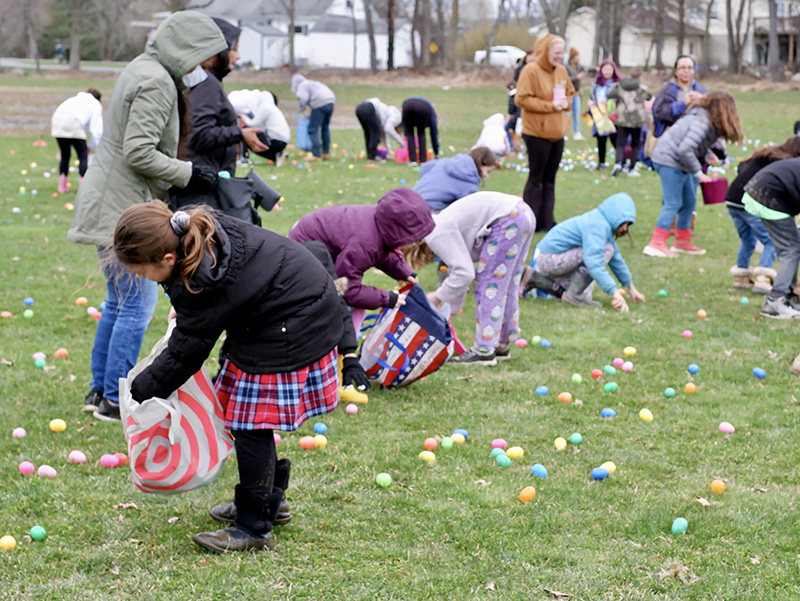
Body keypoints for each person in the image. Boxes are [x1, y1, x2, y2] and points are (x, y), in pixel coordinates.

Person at [115, 202, 342, 553]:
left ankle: (253, 527)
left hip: (293, 326)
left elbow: (185, 352)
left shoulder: (202, 280)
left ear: (168, 259)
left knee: (251, 425)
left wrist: (140, 389)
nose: (142, 278)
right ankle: (271, 500)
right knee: (243, 419)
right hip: (283, 313)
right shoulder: (191, 231)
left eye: (143, 271)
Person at [67, 11, 228, 422]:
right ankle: (113, 398)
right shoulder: (156, 80)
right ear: (186, 49)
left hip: (110, 197)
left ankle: (100, 390)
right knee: (136, 306)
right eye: (199, 58)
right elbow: (139, 151)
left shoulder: (143, 67)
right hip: (122, 203)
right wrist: (193, 172)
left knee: (118, 303)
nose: (199, 69)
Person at [403, 191, 535, 366]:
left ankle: (484, 351)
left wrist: (436, 297)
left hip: (507, 218)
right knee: (507, 284)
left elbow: (464, 274)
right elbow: (457, 275)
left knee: (489, 284)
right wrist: (450, 311)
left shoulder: (435, 234)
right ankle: (502, 344)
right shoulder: (439, 226)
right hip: (522, 212)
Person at [287, 188, 434, 322]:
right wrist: (387, 298)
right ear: (396, 231)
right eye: (412, 239)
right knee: (336, 302)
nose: (415, 244)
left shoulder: (381, 226)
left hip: (318, 237)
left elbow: (383, 253)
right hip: (306, 246)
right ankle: (338, 346)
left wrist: (404, 272)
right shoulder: (364, 244)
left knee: (357, 302)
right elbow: (346, 288)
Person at [172, 18, 268, 215]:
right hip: (202, 189)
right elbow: (198, 134)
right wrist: (239, 133)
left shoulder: (206, 82)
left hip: (203, 183)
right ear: (217, 50)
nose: (239, 56)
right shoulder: (206, 85)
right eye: (234, 49)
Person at [643, 91, 743, 258]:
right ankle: (656, 243)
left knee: (689, 200)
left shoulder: (705, 120)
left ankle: (682, 242)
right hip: (668, 159)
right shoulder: (701, 122)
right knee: (673, 202)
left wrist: (706, 154)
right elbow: (685, 149)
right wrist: (698, 172)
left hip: (679, 160)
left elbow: (691, 143)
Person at [522, 193, 645, 310]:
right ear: (614, 216)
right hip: (550, 259)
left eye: (628, 225)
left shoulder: (601, 222)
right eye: (623, 223)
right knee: (603, 251)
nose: (624, 228)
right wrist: (614, 292)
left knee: (607, 250)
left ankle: (532, 277)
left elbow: (616, 260)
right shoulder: (597, 226)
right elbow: (593, 262)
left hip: (546, 258)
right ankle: (574, 295)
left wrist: (630, 287)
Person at [515, 33, 575, 233]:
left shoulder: (561, 71)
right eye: (556, 52)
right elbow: (521, 99)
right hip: (536, 134)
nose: (560, 56)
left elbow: (570, 93)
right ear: (544, 52)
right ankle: (529, 222)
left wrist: (567, 102)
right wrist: (549, 106)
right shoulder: (530, 71)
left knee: (550, 180)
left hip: (557, 134)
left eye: (562, 52)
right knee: (536, 179)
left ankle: (547, 222)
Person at [724, 139, 800, 293]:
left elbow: (741, 167)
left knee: (748, 240)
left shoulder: (765, 153)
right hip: (756, 198)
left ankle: (740, 277)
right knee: (772, 240)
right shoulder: (783, 161)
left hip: (733, 199)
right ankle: (763, 279)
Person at [742, 157, 800, 319]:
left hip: (766, 190)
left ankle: (789, 297)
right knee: (790, 249)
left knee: (793, 247)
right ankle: (774, 302)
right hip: (768, 195)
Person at [50, 88, 104, 194]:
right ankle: (84, 187)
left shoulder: (75, 99)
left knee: (65, 155)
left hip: (57, 121)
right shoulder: (95, 104)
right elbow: (97, 130)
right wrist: (93, 146)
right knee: (83, 155)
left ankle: (62, 187)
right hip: (73, 121)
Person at [413, 147, 496, 213]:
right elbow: (472, 208)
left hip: (411, 199)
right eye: (487, 171)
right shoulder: (468, 181)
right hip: (429, 209)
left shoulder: (446, 162)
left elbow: (425, 168)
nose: (486, 176)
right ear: (481, 163)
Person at [651, 55, 707, 140]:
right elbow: (659, 112)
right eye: (682, 68)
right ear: (676, 71)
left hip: (696, 137)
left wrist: (704, 101)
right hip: (671, 137)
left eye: (690, 68)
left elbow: (713, 113)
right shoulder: (667, 90)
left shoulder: (701, 90)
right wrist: (683, 104)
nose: (686, 71)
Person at [228, 89, 291, 164]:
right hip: (283, 140)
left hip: (275, 139)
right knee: (253, 139)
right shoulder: (273, 108)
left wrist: (244, 118)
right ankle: (277, 156)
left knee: (246, 133)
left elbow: (253, 123)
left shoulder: (265, 107)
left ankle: (243, 159)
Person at [608, 68, 650, 177]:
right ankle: (631, 168)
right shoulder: (642, 88)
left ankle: (618, 163)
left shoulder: (621, 87)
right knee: (636, 144)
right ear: (640, 77)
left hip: (623, 118)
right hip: (637, 119)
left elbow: (610, 94)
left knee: (620, 143)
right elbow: (649, 97)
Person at [291, 74, 335, 160]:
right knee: (325, 127)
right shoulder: (312, 83)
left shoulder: (302, 85)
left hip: (319, 103)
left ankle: (316, 154)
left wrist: (301, 109)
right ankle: (326, 153)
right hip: (331, 101)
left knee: (312, 129)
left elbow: (303, 98)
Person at [588, 59, 621, 170]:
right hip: (599, 115)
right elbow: (592, 97)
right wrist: (591, 103)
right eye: (605, 69)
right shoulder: (595, 85)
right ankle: (601, 163)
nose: (607, 71)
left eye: (609, 69)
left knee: (614, 139)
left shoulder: (617, 84)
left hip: (612, 115)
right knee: (601, 139)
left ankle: (621, 161)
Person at [401, 97, 440, 165]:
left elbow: (404, 121)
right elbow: (433, 134)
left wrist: (405, 133)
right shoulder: (432, 115)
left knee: (409, 133)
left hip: (407, 105)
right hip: (422, 109)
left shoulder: (429, 108)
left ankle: (412, 160)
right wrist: (436, 153)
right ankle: (423, 160)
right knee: (421, 132)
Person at [565, 48, 585, 140]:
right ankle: (563, 132)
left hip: (577, 93)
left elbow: (587, 69)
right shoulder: (566, 67)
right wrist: (576, 77)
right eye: (576, 56)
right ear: (572, 57)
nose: (578, 58)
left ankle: (576, 132)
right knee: (567, 114)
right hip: (569, 94)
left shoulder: (579, 67)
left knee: (576, 114)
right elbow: (566, 79)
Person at [504, 81, 521, 149]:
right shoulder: (519, 94)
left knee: (506, 128)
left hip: (516, 118)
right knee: (516, 133)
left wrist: (506, 122)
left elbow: (511, 111)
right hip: (523, 117)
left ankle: (511, 145)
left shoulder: (512, 96)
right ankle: (517, 146)